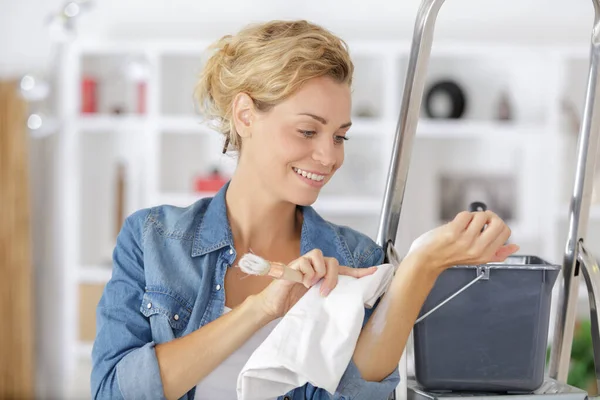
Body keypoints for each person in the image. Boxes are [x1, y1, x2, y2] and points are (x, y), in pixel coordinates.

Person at [90, 19, 520, 400]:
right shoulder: (153, 239)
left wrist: (423, 263)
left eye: (339, 136)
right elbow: (112, 391)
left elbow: (355, 396)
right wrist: (260, 310)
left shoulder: (354, 260)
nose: (328, 156)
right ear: (245, 115)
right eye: (308, 130)